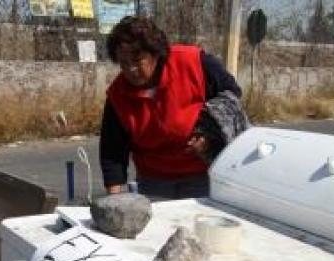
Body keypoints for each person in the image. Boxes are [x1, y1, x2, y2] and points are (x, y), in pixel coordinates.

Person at [100, 16, 247, 199]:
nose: (131, 70)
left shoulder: (192, 63)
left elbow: (231, 94)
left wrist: (210, 135)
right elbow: (112, 150)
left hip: (203, 176)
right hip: (153, 181)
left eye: (137, 61)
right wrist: (115, 200)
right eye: (123, 63)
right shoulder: (118, 94)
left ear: (154, 53)